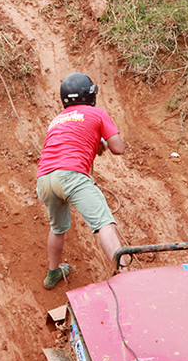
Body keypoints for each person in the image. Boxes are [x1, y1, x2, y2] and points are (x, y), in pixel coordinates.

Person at [36, 73, 125, 290]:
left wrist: (97, 144)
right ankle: (125, 275)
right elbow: (118, 148)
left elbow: (72, 141)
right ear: (90, 95)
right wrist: (104, 141)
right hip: (71, 175)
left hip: (45, 178)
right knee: (104, 223)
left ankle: (53, 272)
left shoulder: (56, 120)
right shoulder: (96, 113)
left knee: (57, 228)